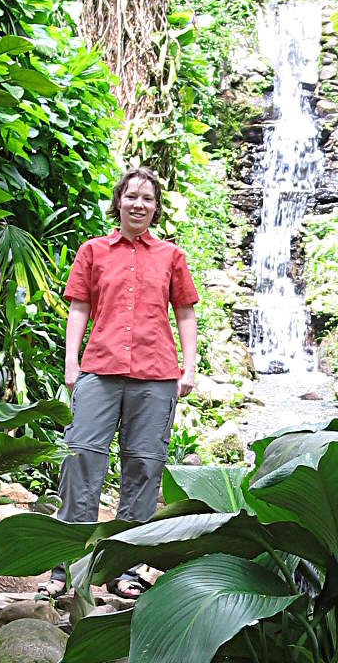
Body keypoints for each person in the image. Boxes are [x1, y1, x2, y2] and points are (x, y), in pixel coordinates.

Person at [40, 166, 199, 599]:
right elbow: (78, 308)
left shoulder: (170, 256)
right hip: (99, 370)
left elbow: (185, 312)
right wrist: (71, 364)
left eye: (147, 199)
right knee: (82, 460)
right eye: (132, 196)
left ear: (156, 207)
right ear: (119, 201)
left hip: (157, 376)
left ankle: (123, 569)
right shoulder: (94, 251)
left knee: (144, 467)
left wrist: (191, 366)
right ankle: (67, 566)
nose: (139, 205)